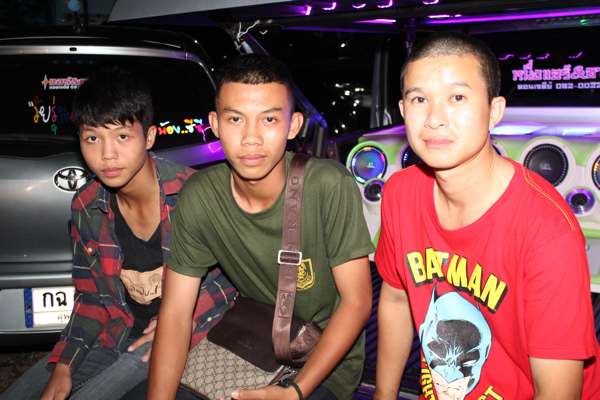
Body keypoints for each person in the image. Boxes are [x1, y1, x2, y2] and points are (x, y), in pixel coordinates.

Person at [374, 32, 600, 400]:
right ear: (402, 110)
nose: (434, 119)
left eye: (457, 98)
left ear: (494, 111)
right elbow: (397, 299)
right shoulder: (400, 193)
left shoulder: (546, 230)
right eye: (419, 99)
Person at [146, 54, 374, 400]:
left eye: (269, 119)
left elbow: (357, 302)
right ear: (215, 123)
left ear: (293, 126)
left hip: (323, 356)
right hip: (250, 341)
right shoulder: (201, 196)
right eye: (236, 119)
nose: (251, 138)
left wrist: (294, 392)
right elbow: (176, 314)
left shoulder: (327, 185)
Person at [1, 68, 235, 400]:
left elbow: (233, 283)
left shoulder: (192, 194)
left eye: (122, 137)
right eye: (92, 138)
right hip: (116, 332)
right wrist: (65, 364)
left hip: (180, 337)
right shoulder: (86, 205)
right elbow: (91, 298)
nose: (107, 154)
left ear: (149, 137)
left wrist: (185, 318)